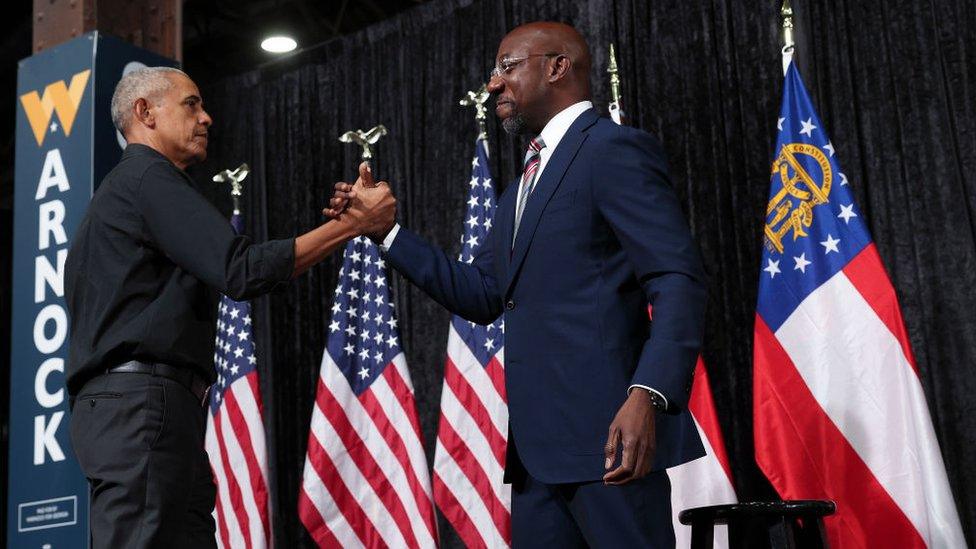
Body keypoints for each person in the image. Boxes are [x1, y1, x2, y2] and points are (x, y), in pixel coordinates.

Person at [329, 22, 707, 547]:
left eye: (507, 67)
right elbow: (483, 294)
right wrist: (386, 233)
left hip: (611, 444)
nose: (492, 84)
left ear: (558, 68)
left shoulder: (613, 151)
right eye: (493, 70)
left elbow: (677, 280)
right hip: (536, 462)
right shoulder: (520, 189)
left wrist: (650, 394)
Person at [64, 66, 394, 548]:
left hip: (136, 411)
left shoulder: (118, 197)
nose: (207, 117)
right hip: (143, 409)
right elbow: (240, 270)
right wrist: (351, 227)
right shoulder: (146, 179)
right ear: (145, 112)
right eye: (191, 104)